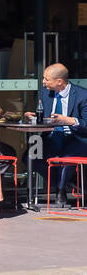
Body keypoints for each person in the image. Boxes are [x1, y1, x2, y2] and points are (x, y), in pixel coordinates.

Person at [25, 63, 87, 207]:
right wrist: (33, 117)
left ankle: (60, 191)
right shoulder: (45, 92)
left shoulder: (82, 95)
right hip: (52, 136)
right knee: (31, 156)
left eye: (47, 79)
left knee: (67, 159)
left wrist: (68, 120)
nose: (43, 82)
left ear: (59, 81)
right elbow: (45, 116)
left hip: (75, 137)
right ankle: (62, 184)